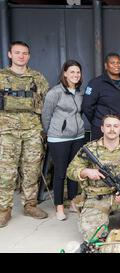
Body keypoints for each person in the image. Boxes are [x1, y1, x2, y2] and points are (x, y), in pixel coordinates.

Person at [66, 115, 120, 240]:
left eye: (115, 126)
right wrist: (85, 172)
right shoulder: (90, 149)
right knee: (93, 236)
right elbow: (70, 171)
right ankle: (98, 219)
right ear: (102, 128)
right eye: (108, 126)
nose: (112, 129)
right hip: (96, 197)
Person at [0, 41, 49, 228]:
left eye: (25, 53)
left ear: (29, 56)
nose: (21, 56)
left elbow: (47, 102)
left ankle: (30, 205)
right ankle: (4, 210)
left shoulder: (37, 78)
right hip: (7, 132)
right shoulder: (1, 77)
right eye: (17, 52)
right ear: (10, 54)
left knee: (31, 171)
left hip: (32, 131)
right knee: (6, 173)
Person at [41, 59, 85, 221]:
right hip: (59, 139)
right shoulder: (55, 92)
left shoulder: (80, 92)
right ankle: (59, 207)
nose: (75, 75)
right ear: (65, 73)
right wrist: (53, 132)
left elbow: (79, 113)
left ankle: (73, 202)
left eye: (78, 72)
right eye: (72, 72)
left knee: (73, 172)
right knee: (60, 173)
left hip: (78, 137)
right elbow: (46, 115)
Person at [81, 53, 120, 142]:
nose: (116, 65)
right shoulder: (96, 83)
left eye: (118, 62)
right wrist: (99, 122)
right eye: (112, 62)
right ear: (106, 65)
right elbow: (86, 106)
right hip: (103, 132)